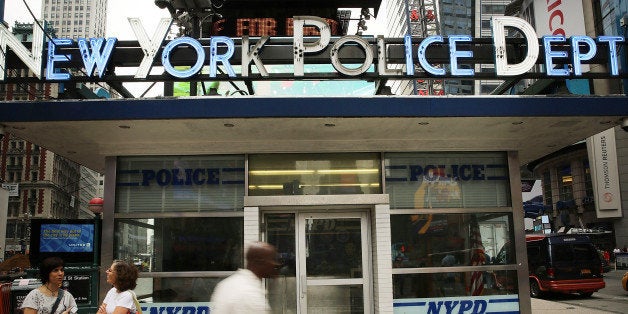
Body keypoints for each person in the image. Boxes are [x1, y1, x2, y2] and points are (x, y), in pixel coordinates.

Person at [210, 242, 281, 314]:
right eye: (272, 259)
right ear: (259, 262)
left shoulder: (227, 284)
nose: (276, 264)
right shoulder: (250, 294)